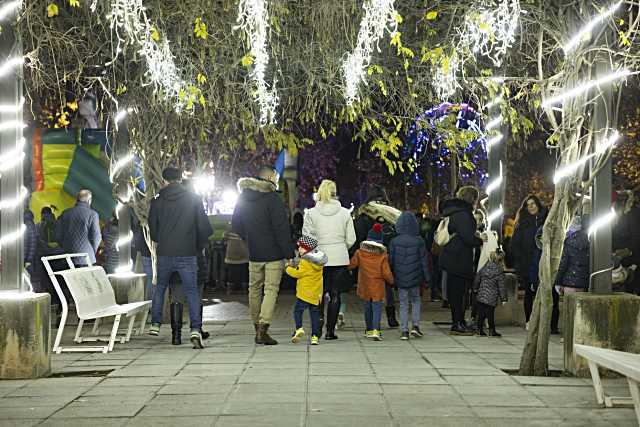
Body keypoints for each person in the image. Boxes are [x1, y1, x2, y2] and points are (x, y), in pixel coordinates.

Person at [148, 167, 213, 349]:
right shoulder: (193, 199)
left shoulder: (157, 201)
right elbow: (204, 227)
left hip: (165, 252)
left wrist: (164, 238)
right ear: (180, 178)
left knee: (160, 286)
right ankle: (195, 328)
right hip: (187, 252)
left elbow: (153, 231)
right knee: (192, 291)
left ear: (164, 180)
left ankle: (155, 322)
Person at [232, 167, 295, 345]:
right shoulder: (273, 198)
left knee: (254, 290)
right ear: (269, 177)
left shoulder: (244, 197)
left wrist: (249, 237)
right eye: (276, 177)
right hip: (273, 253)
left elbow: (236, 223)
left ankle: (256, 325)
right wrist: (288, 254)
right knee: (270, 290)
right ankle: (263, 328)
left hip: (254, 252)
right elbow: (281, 229)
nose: (277, 180)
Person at [302, 179, 356, 340]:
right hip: (339, 257)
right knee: (335, 294)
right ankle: (330, 331)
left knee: (318, 294)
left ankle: (317, 328)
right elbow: (351, 238)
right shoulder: (345, 213)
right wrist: (341, 247)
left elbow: (307, 238)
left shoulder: (311, 213)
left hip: (319, 258)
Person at [439, 186, 485, 336]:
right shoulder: (464, 214)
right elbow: (468, 237)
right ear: (473, 199)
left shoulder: (453, 212)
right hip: (459, 258)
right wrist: (480, 240)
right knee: (459, 293)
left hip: (451, 257)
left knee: (455, 292)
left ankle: (458, 321)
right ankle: (457, 323)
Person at [349, 223, 395, 341]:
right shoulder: (382, 255)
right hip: (377, 286)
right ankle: (376, 330)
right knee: (377, 308)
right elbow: (386, 272)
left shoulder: (360, 253)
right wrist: (391, 281)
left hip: (364, 284)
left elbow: (352, 264)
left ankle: (369, 329)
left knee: (367, 307)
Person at [389, 211, 431, 340]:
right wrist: (427, 278)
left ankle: (404, 330)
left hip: (400, 277)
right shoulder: (419, 241)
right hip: (415, 277)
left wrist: (392, 277)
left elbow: (391, 261)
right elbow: (424, 261)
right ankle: (416, 326)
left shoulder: (394, 241)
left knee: (403, 303)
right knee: (416, 300)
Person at [510, 195, 548, 328]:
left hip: (543, 261)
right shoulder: (523, 223)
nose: (531, 206)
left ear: (538, 205)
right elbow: (514, 244)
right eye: (528, 204)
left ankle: (543, 321)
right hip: (527, 262)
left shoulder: (546, 221)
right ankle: (529, 320)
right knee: (529, 292)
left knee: (544, 293)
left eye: (533, 204)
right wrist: (521, 259)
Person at [287, 235, 328, 345]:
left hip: (304, 294)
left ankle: (299, 328)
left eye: (301, 247)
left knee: (297, 311)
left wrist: (288, 268)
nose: (299, 249)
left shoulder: (305, 261)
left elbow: (298, 273)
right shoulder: (318, 262)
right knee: (314, 315)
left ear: (308, 249)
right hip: (316, 294)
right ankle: (314, 336)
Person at [55, 190, 102, 265]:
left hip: (67, 257)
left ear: (77, 199)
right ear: (89, 200)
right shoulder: (93, 215)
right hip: (86, 259)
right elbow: (97, 237)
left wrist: (65, 246)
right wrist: (91, 251)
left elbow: (57, 235)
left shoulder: (65, 213)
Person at [474, 249, 507, 337]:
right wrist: (504, 298)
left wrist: (475, 288)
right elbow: (501, 286)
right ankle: (492, 331)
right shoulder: (499, 272)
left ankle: (479, 329)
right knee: (490, 315)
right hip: (491, 297)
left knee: (481, 314)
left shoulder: (484, 268)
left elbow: (477, 279)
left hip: (481, 295)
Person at [555, 215, 590, 295]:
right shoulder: (588, 240)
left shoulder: (568, 242)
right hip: (584, 283)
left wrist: (558, 282)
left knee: (570, 307)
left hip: (569, 282)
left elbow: (563, 264)